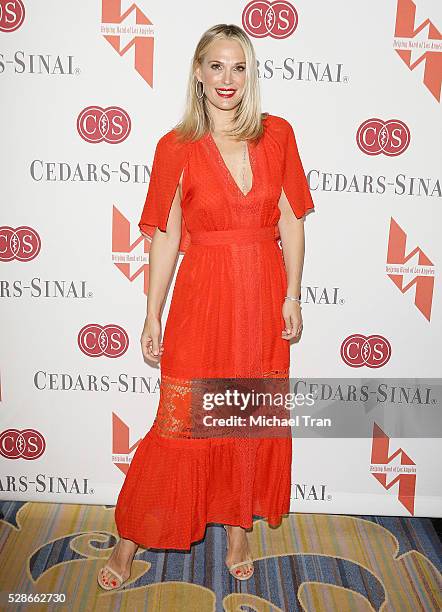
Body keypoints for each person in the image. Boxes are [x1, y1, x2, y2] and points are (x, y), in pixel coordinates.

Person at [97, 23, 314, 590]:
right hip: (203, 297)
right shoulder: (176, 147)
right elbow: (166, 236)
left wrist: (292, 293)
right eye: (216, 66)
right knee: (178, 425)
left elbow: (291, 218)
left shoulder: (279, 135)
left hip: (263, 297)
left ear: (251, 75)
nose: (227, 78)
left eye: (238, 67)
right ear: (198, 72)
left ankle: (237, 526)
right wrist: (151, 313)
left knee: (245, 420)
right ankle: (129, 538)